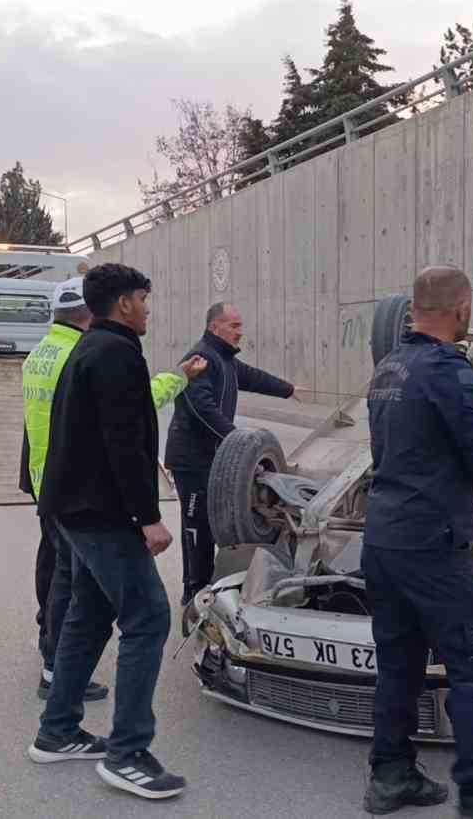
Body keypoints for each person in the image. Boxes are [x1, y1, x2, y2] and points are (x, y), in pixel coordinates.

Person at [362, 266, 473, 819]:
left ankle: (391, 776)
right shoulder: (448, 369)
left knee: (399, 662)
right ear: (461, 308)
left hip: (384, 540)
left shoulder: (388, 367)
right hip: (430, 545)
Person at [26, 263, 184, 801]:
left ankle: (58, 731)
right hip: (101, 513)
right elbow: (124, 443)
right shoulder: (115, 353)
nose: (148, 308)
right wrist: (147, 517)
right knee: (148, 617)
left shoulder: (89, 347)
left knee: (90, 615)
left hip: (73, 507)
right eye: (143, 298)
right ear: (123, 304)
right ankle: (127, 754)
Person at [19, 276, 205, 702]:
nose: (146, 307)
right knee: (83, 589)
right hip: (80, 490)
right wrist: (179, 377)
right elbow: (128, 413)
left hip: (49, 481)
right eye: (141, 299)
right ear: (95, 310)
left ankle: (55, 679)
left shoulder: (41, 353)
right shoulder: (89, 354)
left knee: (62, 575)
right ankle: (56, 670)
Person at [163, 301, 293, 624]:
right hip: (192, 461)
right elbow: (202, 408)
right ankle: (193, 592)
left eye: (240, 325)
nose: (240, 331)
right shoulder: (200, 359)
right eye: (234, 325)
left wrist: (288, 390)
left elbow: (254, 378)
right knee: (197, 526)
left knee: (212, 523)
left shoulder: (225, 360)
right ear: (214, 327)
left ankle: (207, 585)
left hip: (216, 459)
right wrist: (239, 441)